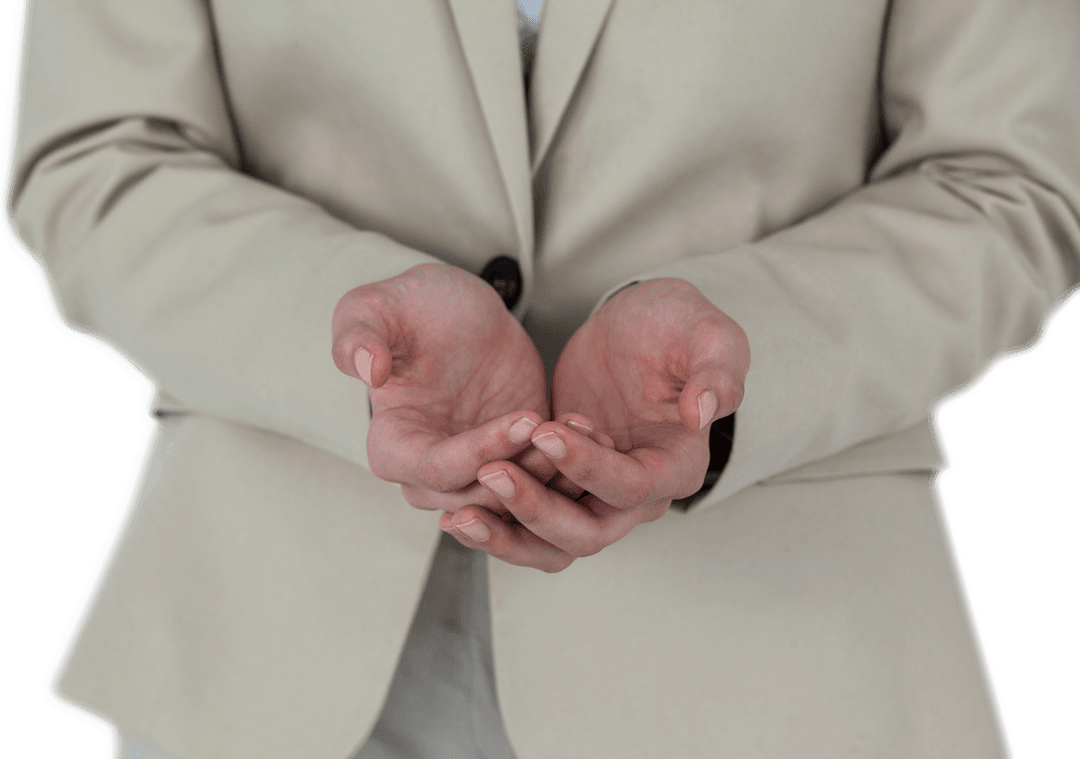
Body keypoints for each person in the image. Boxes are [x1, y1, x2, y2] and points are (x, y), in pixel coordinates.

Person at [3, 0, 1077, 757]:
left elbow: (1013, 182)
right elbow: (95, 158)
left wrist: (737, 358)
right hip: (265, 657)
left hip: (793, 667)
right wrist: (352, 337)